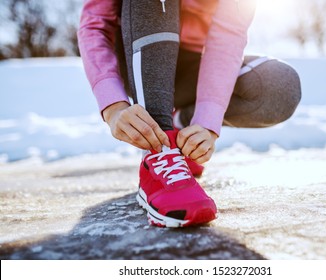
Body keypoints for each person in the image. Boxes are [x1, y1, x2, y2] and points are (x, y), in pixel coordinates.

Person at [78, 0, 301, 228]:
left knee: (279, 86)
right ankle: (160, 152)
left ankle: (181, 128)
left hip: (195, 66)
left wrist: (206, 123)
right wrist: (112, 105)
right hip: (137, 53)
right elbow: (95, 24)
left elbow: (228, 37)